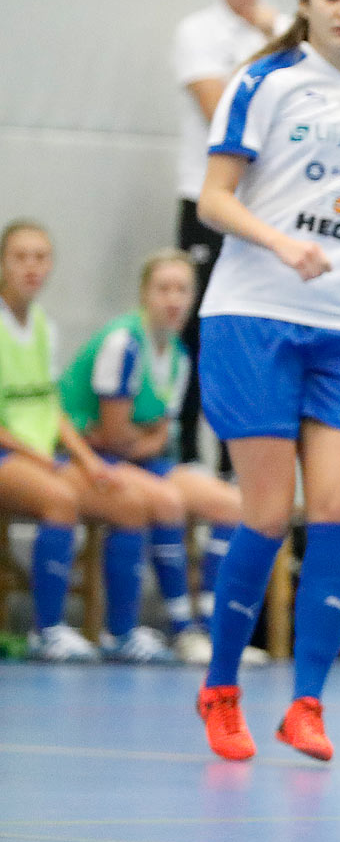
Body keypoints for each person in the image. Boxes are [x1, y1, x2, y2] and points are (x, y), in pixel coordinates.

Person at [191, 0, 340, 764]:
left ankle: (308, 705)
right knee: (263, 512)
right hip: (253, 316)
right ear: (307, 2)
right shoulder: (265, 83)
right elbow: (214, 198)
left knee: (336, 514)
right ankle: (220, 689)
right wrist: (281, 246)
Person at [59, 249, 248, 664]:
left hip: (135, 458)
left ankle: (213, 628)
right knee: (166, 501)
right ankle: (181, 631)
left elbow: (157, 437)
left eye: (182, 289)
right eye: (163, 288)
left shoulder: (179, 355)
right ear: (144, 294)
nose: (173, 299)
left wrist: (143, 439)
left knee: (233, 506)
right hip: (82, 455)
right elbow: (112, 437)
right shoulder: (123, 344)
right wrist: (143, 439)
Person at [0, 220, 159, 662]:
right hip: (10, 455)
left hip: (39, 455)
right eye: (20, 256)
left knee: (128, 502)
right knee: (60, 500)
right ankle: (46, 630)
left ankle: (119, 635)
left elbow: (52, 410)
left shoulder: (42, 328)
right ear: (2, 263)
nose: (32, 266)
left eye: (41, 257)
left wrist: (87, 460)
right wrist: (37, 458)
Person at [169, 0, 289, 470]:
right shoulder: (197, 32)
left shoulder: (289, 31)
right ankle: (192, 461)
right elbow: (225, 115)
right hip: (207, 203)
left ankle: (237, 467)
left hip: (266, 213)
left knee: (256, 336)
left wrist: (276, 36)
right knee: (198, 333)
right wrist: (271, 54)